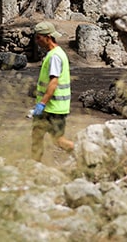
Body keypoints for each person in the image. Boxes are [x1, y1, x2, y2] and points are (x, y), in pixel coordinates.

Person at [31, 20, 74, 162]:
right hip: (50, 107)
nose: (37, 41)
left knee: (58, 140)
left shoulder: (55, 56)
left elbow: (54, 82)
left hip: (53, 108)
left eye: (39, 37)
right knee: (37, 135)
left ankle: (82, 153)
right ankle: (34, 164)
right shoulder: (54, 53)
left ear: (48, 37)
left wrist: (41, 104)